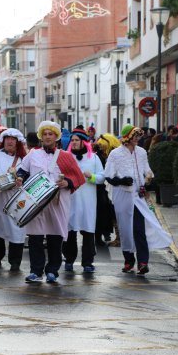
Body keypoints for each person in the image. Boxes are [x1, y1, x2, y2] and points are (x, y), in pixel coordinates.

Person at [16, 121, 85, 283]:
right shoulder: (33, 154)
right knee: (35, 238)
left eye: (50, 134)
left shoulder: (65, 156)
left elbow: (78, 177)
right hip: (36, 201)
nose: (47, 137)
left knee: (55, 237)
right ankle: (36, 271)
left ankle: (53, 271)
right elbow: (23, 170)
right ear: (41, 136)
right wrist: (19, 177)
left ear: (56, 137)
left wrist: (67, 182)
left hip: (58, 200)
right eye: (45, 134)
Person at [104, 125, 173, 275]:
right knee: (125, 230)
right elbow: (108, 176)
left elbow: (147, 170)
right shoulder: (115, 154)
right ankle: (129, 261)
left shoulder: (141, 152)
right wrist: (122, 180)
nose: (137, 139)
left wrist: (148, 180)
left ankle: (143, 262)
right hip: (122, 195)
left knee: (139, 228)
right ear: (127, 137)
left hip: (138, 196)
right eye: (134, 136)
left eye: (138, 136)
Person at [0, 128, 27, 271]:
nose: (10, 141)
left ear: (18, 142)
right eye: (7, 138)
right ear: (3, 140)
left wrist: (22, 181)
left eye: (13, 139)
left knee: (17, 230)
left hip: (16, 199)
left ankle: (15, 261)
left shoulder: (23, 159)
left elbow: (30, 176)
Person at [63, 127, 105, 273]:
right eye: (72, 140)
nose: (73, 143)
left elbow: (102, 177)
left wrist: (91, 177)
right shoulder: (66, 157)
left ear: (83, 142)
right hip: (70, 200)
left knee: (88, 232)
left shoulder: (93, 158)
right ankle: (69, 259)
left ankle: (88, 262)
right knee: (70, 231)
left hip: (87, 201)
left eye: (76, 140)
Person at [94, 133, 121, 247]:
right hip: (104, 189)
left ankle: (119, 238)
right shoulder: (102, 156)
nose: (101, 148)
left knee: (115, 214)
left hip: (113, 188)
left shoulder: (114, 156)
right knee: (110, 214)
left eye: (103, 146)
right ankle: (115, 237)